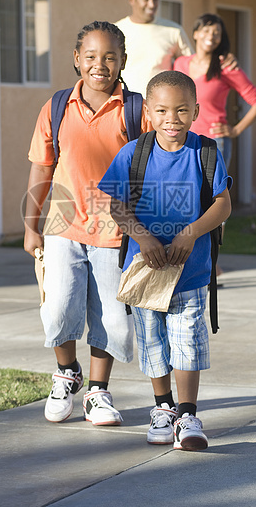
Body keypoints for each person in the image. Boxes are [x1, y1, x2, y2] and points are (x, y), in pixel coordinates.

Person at [24, 20, 150, 427]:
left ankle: (98, 391)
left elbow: (157, 165)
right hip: (63, 223)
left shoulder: (137, 111)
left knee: (111, 320)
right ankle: (67, 373)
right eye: (91, 56)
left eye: (110, 56)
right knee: (59, 309)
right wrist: (31, 225)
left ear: (123, 61)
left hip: (116, 232)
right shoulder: (57, 107)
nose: (101, 64)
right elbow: (41, 170)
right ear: (77, 59)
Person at [98, 70, 232, 450]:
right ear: (149, 114)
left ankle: (188, 415)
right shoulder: (134, 154)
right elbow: (117, 205)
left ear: (195, 111)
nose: (172, 119)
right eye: (162, 111)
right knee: (154, 344)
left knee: (187, 340)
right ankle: (163, 408)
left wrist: (191, 232)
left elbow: (223, 204)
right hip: (147, 272)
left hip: (189, 272)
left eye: (181, 111)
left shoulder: (205, 153)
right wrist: (141, 235)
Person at [115, 0, 237, 97]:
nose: (152, 4)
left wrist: (225, 59)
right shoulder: (117, 32)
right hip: (126, 104)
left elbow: (195, 64)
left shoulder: (173, 30)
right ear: (132, 0)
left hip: (161, 108)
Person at [173, 13, 256, 170]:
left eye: (217, 33)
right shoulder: (180, 64)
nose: (212, 36)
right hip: (182, 140)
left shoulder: (226, 67)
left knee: (212, 193)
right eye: (207, 30)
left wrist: (236, 130)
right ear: (195, 33)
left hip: (213, 141)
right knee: (187, 191)